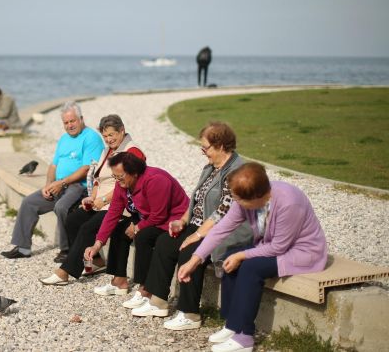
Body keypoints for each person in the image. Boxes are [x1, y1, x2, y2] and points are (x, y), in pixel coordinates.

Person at [178, 163, 327, 352]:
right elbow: (220, 229)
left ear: (257, 197)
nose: (235, 202)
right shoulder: (246, 199)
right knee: (229, 257)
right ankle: (232, 325)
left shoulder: (289, 202)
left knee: (249, 266)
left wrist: (242, 255)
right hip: (271, 246)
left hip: (301, 252)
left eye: (238, 199)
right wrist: (194, 259)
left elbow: (278, 247)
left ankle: (244, 337)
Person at [131, 122, 253, 327]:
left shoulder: (237, 170)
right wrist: (182, 221)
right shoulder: (211, 167)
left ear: (221, 145)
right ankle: (158, 301)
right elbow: (196, 199)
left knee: (189, 251)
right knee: (164, 242)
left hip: (223, 231)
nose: (203, 152)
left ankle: (190, 314)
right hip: (199, 225)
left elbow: (223, 212)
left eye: (206, 148)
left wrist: (196, 235)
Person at [39, 114, 146, 285]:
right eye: (105, 136)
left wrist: (103, 200)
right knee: (73, 219)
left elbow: (128, 185)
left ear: (122, 131)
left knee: (88, 228)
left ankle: (65, 271)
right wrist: (92, 197)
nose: (108, 139)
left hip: (121, 205)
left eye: (112, 135)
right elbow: (98, 178)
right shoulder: (108, 150)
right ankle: (95, 260)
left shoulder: (133, 152)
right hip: (101, 202)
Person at [1, 101, 104, 260]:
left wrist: (62, 183)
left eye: (73, 121)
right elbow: (53, 166)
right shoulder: (64, 139)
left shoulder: (91, 138)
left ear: (81, 119)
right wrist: (48, 185)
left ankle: (67, 249)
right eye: (66, 122)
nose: (70, 125)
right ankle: (23, 248)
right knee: (29, 202)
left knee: (61, 206)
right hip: (59, 184)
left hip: (80, 186)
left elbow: (86, 169)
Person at [83, 152, 190, 301]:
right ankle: (119, 280)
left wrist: (138, 227)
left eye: (120, 176)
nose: (117, 180)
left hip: (172, 220)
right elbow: (113, 213)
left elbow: (159, 215)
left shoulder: (155, 180)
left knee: (143, 236)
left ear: (134, 173)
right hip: (147, 216)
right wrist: (97, 244)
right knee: (120, 229)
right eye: (115, 176)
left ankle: (145, 288)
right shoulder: (122, 184)